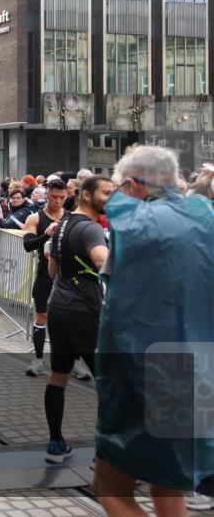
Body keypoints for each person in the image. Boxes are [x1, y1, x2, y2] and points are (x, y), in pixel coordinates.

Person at [93, 146, 214, 515]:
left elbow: (118, 311)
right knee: (169, 486)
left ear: (133, 185)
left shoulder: (135, 225)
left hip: (140, 370)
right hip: (196, 370)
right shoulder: (204, 217)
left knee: (111, 488)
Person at [43, 175, 113, 464]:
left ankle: (56, 444)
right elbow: (102, 262)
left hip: (58, 307)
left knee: (59, 375)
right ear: (86, 195)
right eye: (105, 193)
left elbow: (52, 271)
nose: (110, 198)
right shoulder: (91, 228)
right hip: (85, 311)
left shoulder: (62, 225)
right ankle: (105, 458)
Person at [21, 178, 68, 377]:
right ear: (46, 194)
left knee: (68, 321)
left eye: (62, 197)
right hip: (44, 274)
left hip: (66, 277)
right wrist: (47, 234)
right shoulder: (35, 218)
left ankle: (73, 362)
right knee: (41, 316)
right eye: (54, 197)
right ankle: (38, 361)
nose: (57, 201)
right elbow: (28, 245)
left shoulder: (71, 217)